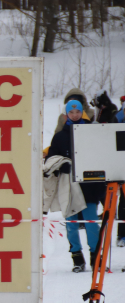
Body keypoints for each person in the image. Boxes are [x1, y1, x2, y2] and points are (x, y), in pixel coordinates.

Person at [46, 100, 105, 271]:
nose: (75, 115)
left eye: (78, 112)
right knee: (71, 224)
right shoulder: (59, 136)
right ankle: (77, 258)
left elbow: (100, 155)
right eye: (71, 113)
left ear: (82, 113)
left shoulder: (90, 133)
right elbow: (51, 159)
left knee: (91, 223)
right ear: (66, 115)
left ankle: (96, 257)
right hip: (68, 186)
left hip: (90, 187)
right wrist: (59, 166)